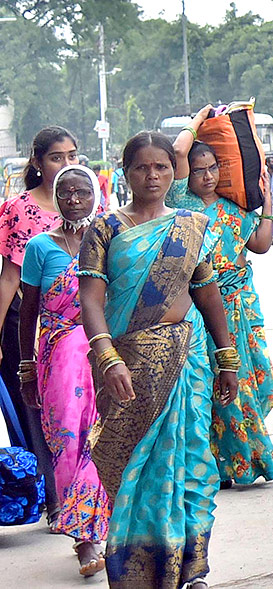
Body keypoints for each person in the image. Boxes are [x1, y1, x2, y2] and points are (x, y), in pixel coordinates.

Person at [77, 129, 238, 589]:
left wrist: (227, 359)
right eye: (142, 167)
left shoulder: (191, 226)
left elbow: (207, 297)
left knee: (188, 465)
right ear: (125, 172)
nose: (152, 175)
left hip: (185, 363)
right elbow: (91, 299)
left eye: (162, 166)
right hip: (126, 364)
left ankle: (190, 568)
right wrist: (107, 358)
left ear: (175, 171)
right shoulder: (106, 227)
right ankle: (137, 571)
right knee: (133, 471)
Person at [166, 114, 273, 487]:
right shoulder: (182, 202)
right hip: (201, 308)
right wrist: (199, 119)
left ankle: (239, 455)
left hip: (242, 304)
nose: (206, 175)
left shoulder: (235, 209)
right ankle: (228, 463)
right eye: (199, 170)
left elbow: (260, 245)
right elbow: (178, 150)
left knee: (258, 380)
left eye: (213, 167)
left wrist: (265, 204)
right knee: (215, 384)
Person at [17, 165, 109, 577]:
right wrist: (25, 367)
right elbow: (29, 311)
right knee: (69, 441)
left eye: (82, 192)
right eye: (66, 193)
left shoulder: (108, 237)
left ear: (95, 195)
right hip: (57, 360)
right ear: (56, 197)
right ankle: (84, 540)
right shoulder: (40, 247)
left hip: (104, 353)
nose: (74, 200)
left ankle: (103, 529)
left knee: (105, 438)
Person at [0, 125, 83, 524]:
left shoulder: (91, 206)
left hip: (86, 331)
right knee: (38, 414)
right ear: (37, 162)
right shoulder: (18, 210)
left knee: (83, 418)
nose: (67, 165)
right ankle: (54, 501)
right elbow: (9, 279)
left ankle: (87, 497)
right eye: (56, 157)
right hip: (30, 326)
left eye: (72, 156)